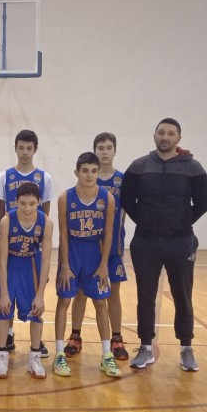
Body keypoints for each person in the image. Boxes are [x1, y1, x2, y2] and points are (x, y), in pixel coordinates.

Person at [121, 118, 207, 373]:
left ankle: (186, 348)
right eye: (161, 132)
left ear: (178, 138)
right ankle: (145, 346)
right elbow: (127, 199)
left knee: (183, 295)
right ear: (154, 135)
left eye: (171, 133)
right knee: (145, 296)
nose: (165, 137)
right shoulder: (139, 166)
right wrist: (146, 222)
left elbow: (202, 204)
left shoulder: (193, 167)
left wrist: (179, 225)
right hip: (145, 242)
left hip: (181, 242)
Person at [53, 153, 119, 378]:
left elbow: (108, 233)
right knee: (64, 300)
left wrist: (104, 265)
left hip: (94, 254)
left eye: (93, 171)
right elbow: (63, 235)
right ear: (77, 172)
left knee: (100, 302)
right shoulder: (66, 198)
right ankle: (59, 353)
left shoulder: (107, 198)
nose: (89, 175)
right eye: (85, 171)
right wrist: (64, 265)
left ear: (98, 172)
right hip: (73, 253)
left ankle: (107, 355)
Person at [64, 132, 129, 362]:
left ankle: (117, 338)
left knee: (113, 293)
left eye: (109, 147)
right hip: (89, 248)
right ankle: (75, 336)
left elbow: (128, 210)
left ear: (115, 151)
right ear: (94, 151)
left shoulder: (122, 180)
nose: (104, 151)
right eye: (100, 147)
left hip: (114, 246)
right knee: (81, 292)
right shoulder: (88, 179)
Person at [0, 129, 53, 357]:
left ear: (35, 150)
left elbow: (44, 214)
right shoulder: (4, 176)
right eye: (21, 147)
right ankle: (8, 335)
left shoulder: (45, 178)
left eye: (29, 148)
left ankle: (35, 346)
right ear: (15, 148)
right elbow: (1, 211)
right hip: (11, 247)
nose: (25, 152)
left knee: (33, 299)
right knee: (7, 296)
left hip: (32, 253)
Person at [0, 182, 53, 379]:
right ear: (16, 202)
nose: (27, 208)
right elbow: (2, 259)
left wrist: (41, 295)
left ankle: (34, 357)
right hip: (11, 265)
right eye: (23, 203)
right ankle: (2, 355)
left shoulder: (46, 222)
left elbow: (46, 260)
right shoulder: (7, 220)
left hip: (32, 266)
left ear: (39, 202)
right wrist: (3, 293)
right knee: (4, 310)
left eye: (32, 204)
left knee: (36, 311)